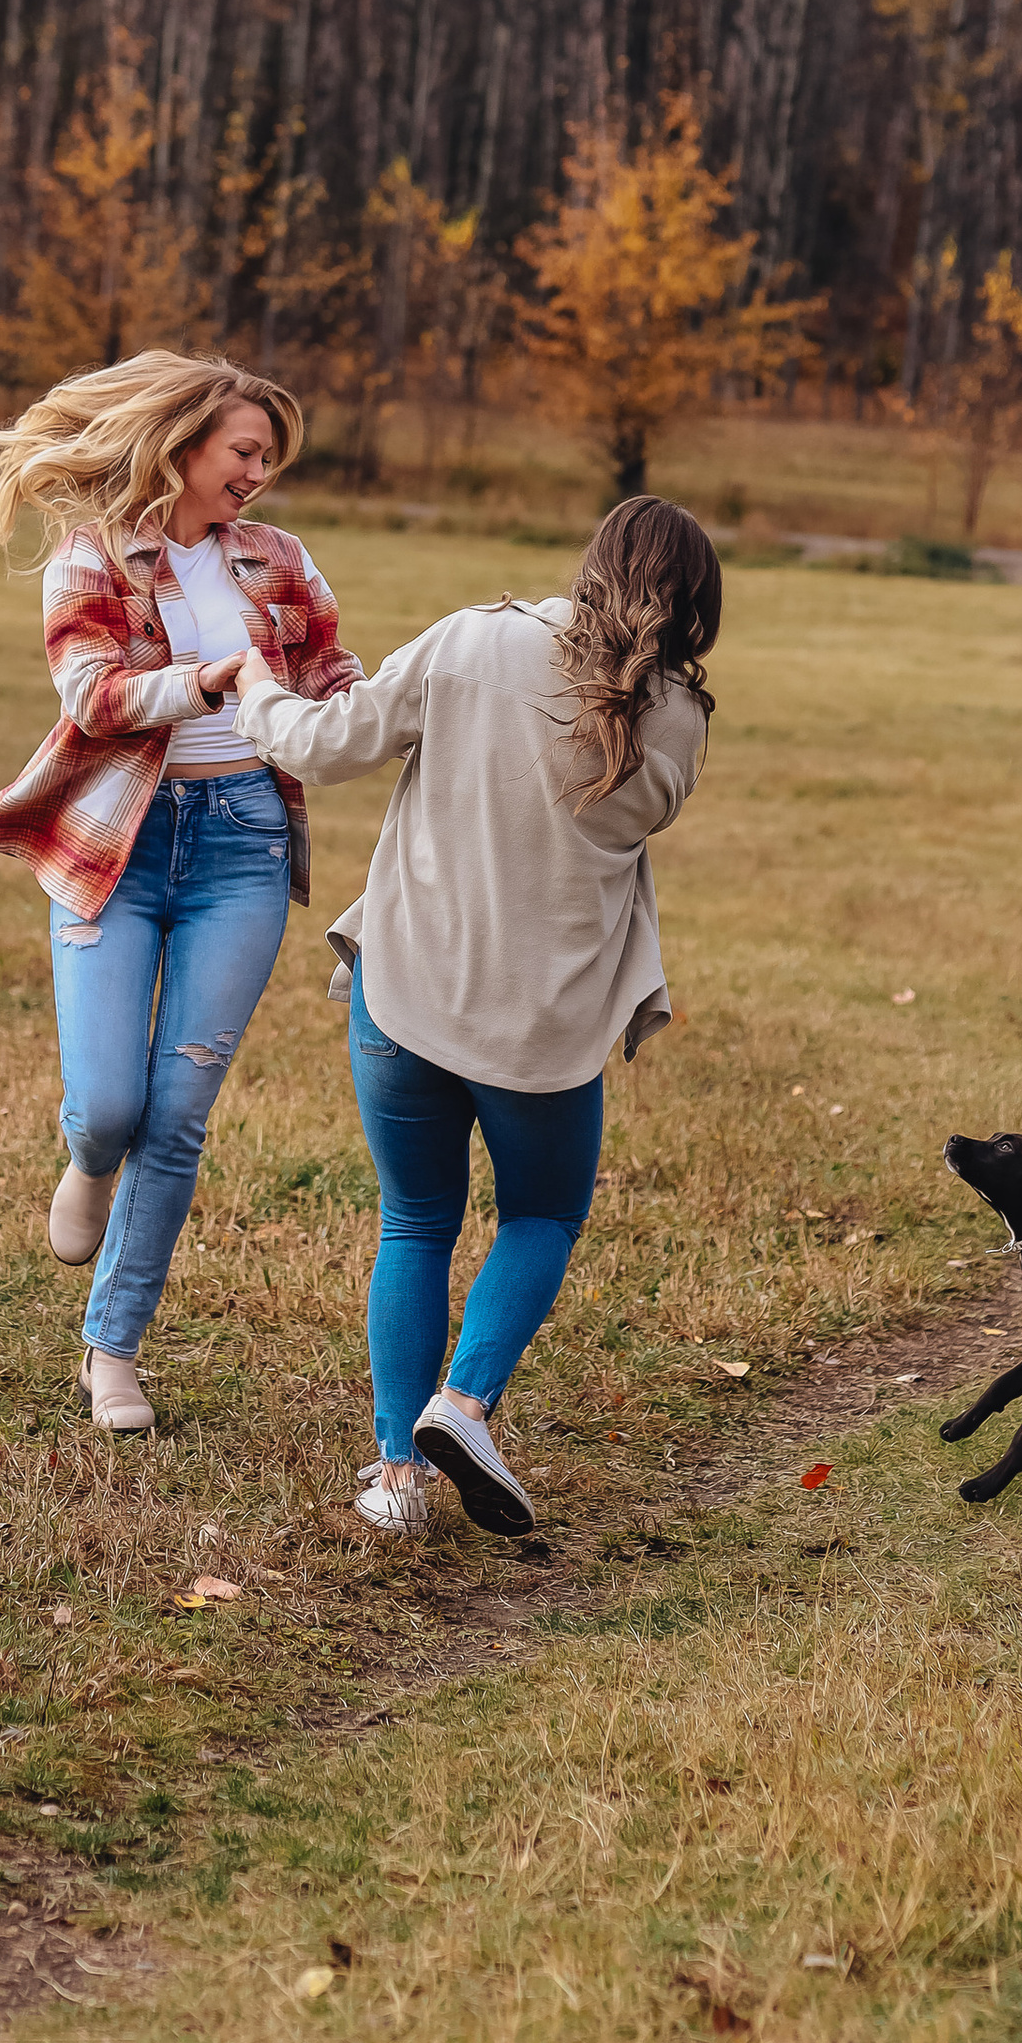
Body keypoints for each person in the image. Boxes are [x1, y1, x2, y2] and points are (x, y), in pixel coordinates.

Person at [230, 496, 720, 1541]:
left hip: (404, 994)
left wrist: (253, 687)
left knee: (415, 1220)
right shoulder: (680, 720)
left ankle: (399, 1478)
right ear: (695, 606)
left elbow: (322, 745)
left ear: (589, 565)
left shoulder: (472, 643)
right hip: (541, 1029)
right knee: (540, 1217)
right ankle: (463, 1402)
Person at [0, 351, 361, 1435]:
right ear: (181, 447)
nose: (258, 472)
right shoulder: (92, 558)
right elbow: (93, 698)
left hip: (243, 847)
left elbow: (333, 674)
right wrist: (210, 680)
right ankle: (86, 1154)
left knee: (177, 1120)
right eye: (243, 450)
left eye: (268, 456)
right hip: (119, 850)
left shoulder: (276, 559)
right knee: (114, 1107)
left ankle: (112, 1349)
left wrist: (408, 700)